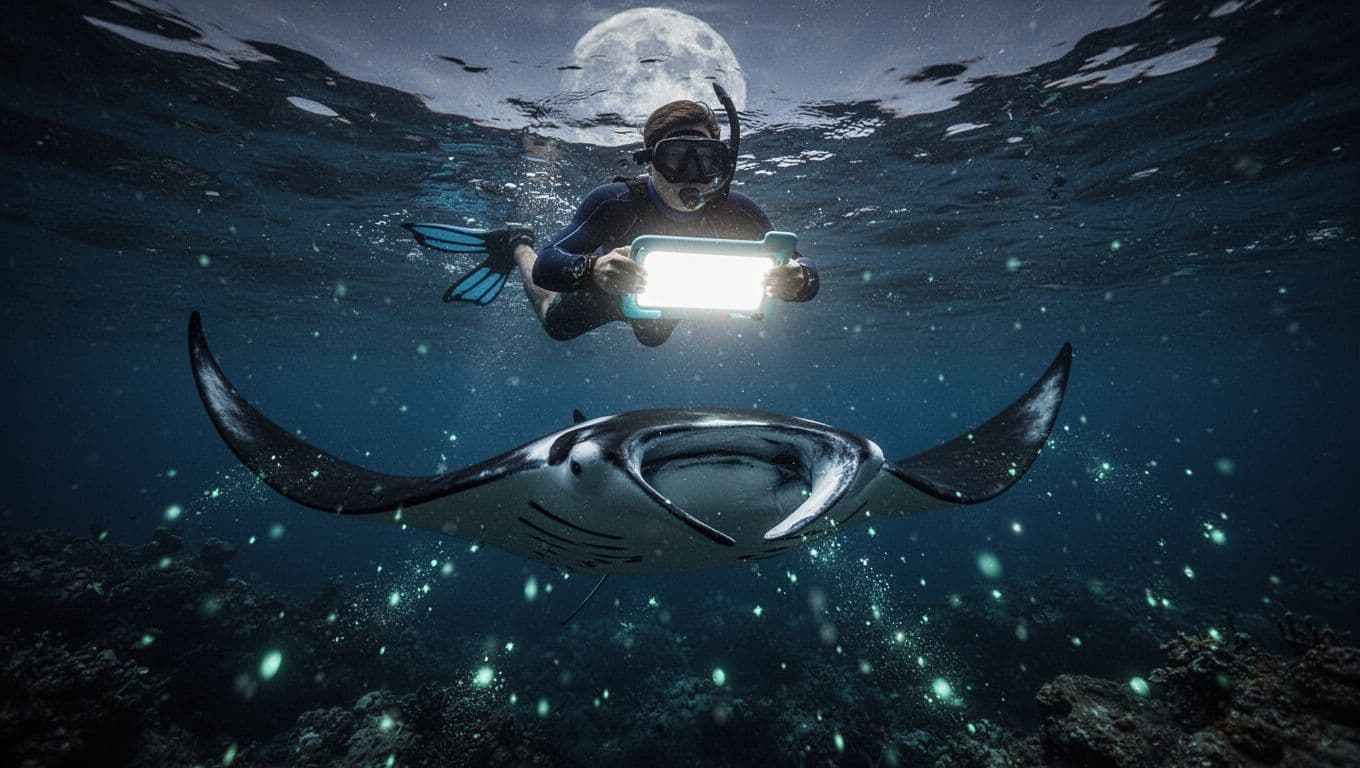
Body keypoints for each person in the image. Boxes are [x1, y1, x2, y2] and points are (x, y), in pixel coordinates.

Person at [406, 84, 819, 347]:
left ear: (723, 165)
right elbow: (550, 265)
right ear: (649, 163)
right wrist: (594, 269)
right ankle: (516, 242)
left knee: (653, 338)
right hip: (608, 290)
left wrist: (797, 280)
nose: (692, 175)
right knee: (555, 325)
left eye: (706, 160)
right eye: (677, 158)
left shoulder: (739, 211)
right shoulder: (615, 201)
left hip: (660, 300)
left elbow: (803, 268)